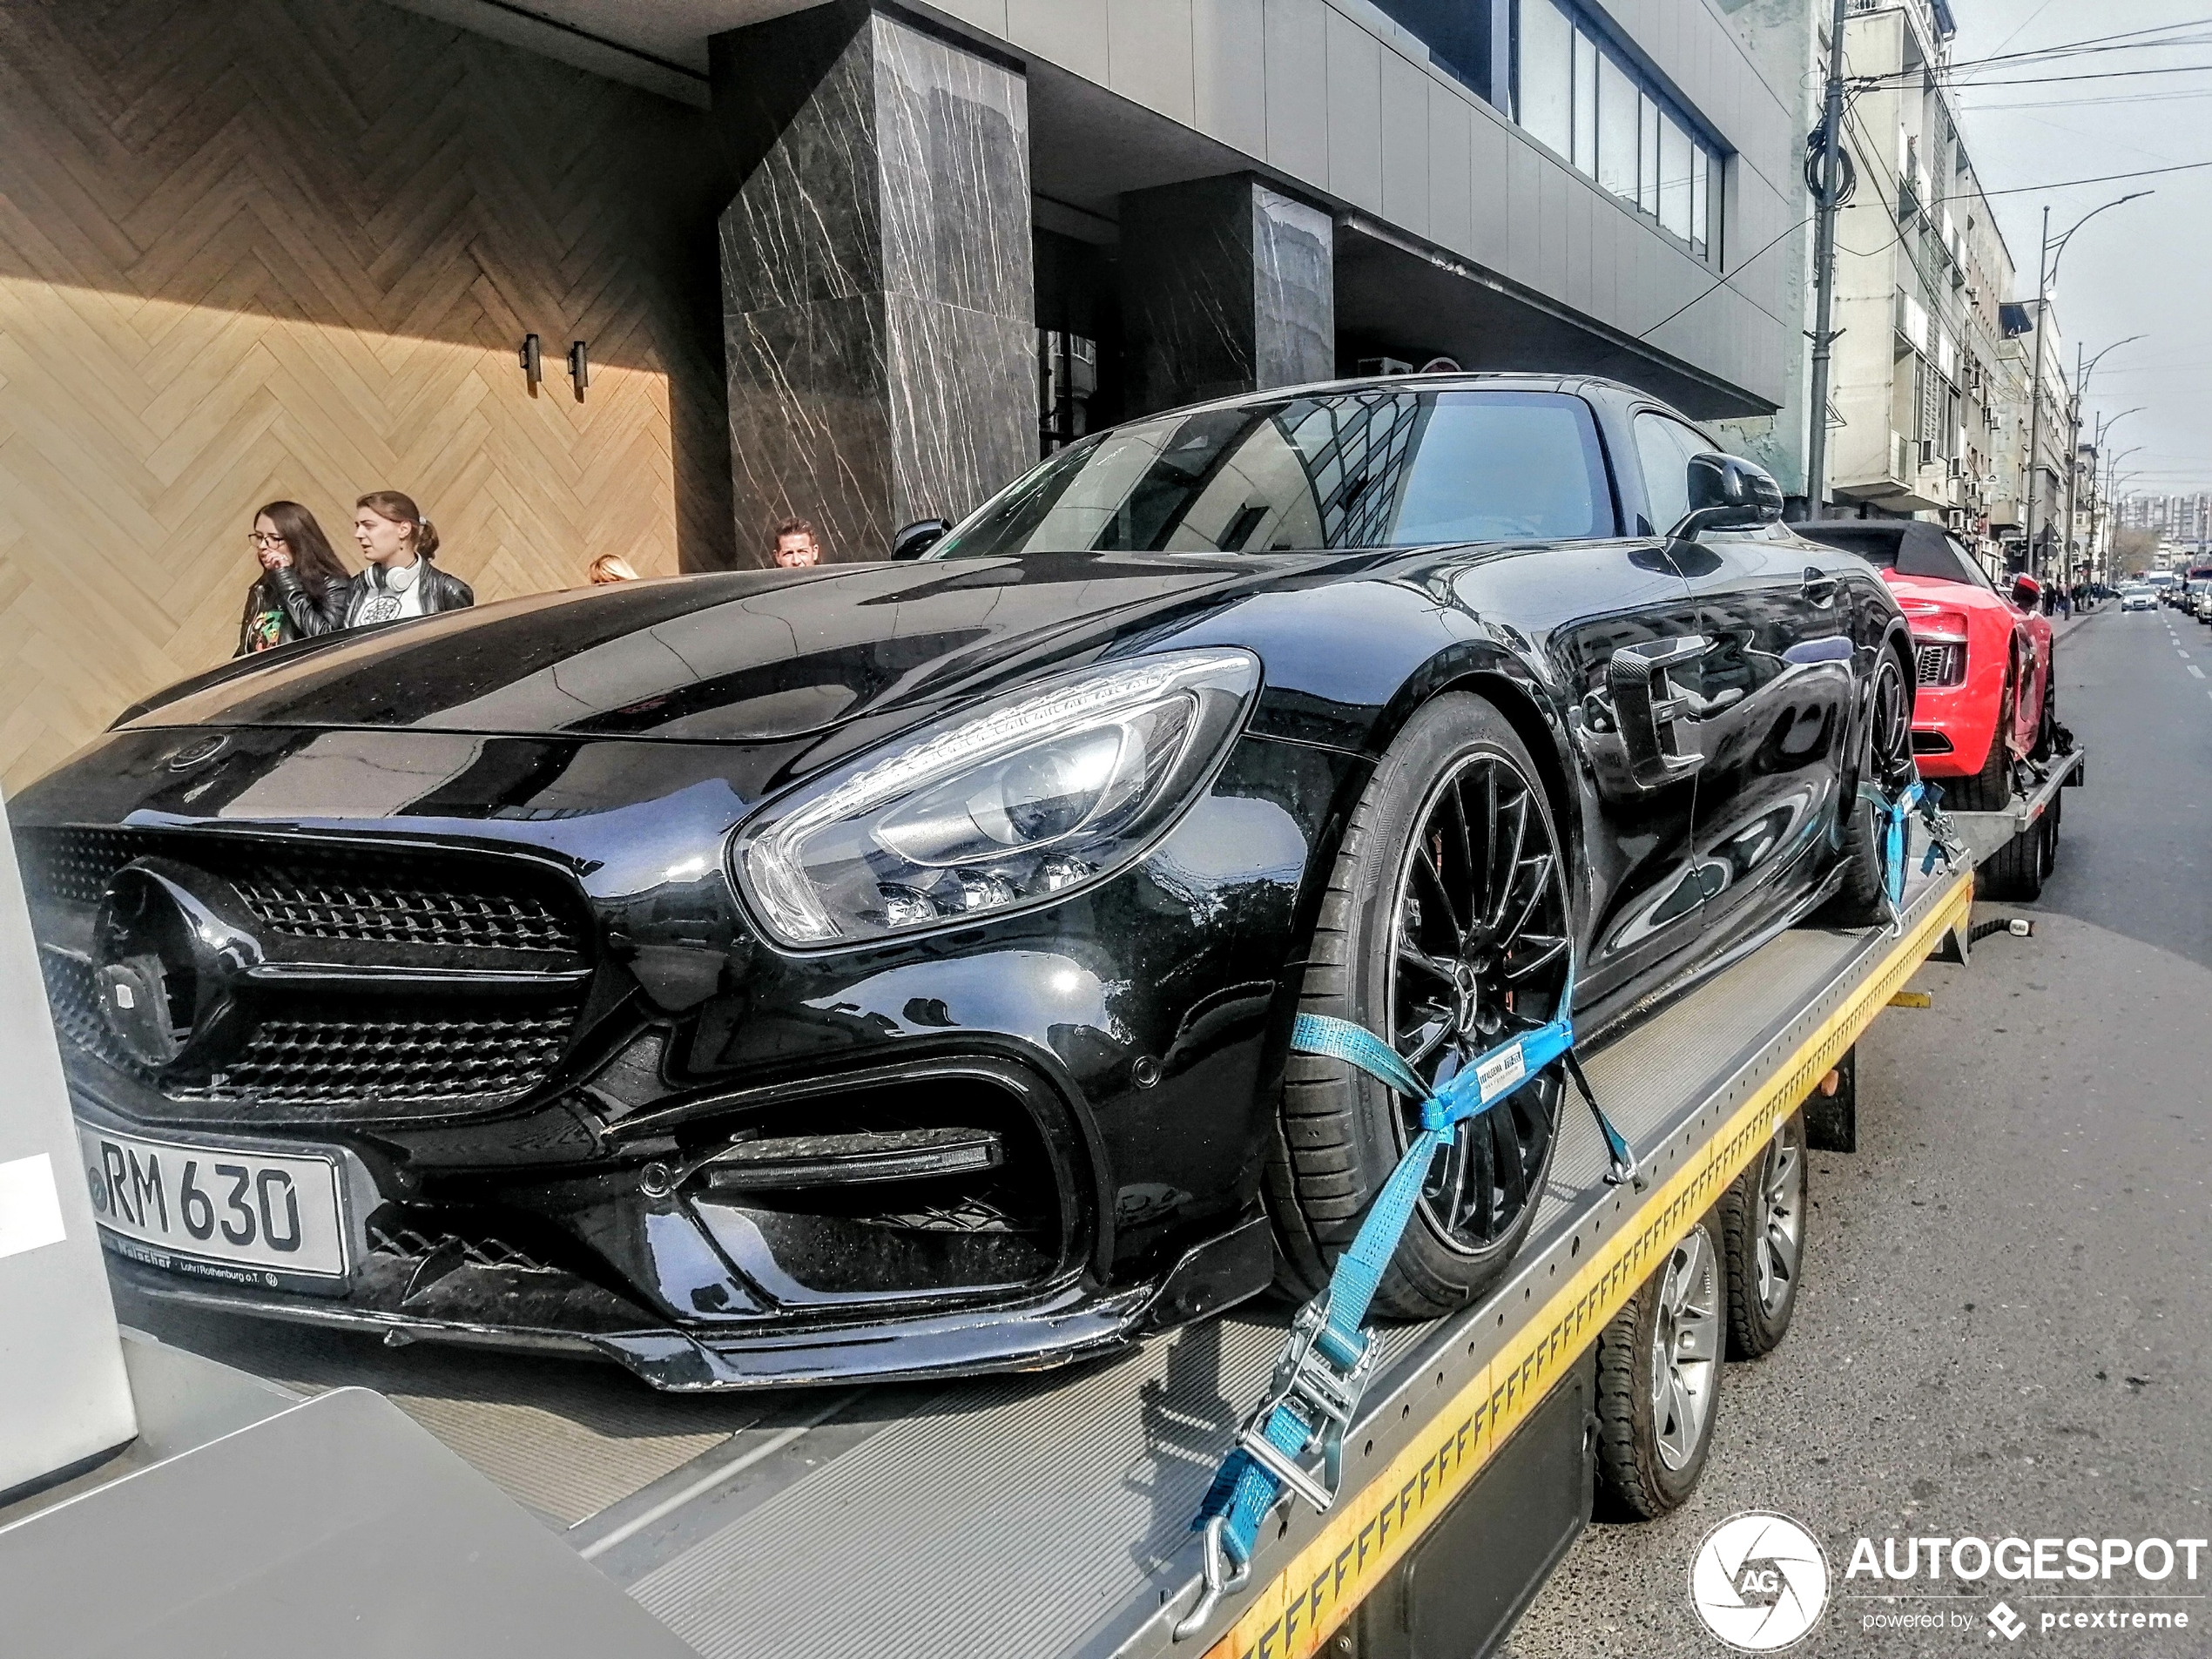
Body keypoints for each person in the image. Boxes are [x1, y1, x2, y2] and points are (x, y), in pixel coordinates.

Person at [336, 490, 473, 626]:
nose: (358, 534)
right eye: (358, 526)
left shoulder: (448, 591)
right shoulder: (357, 587)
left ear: (403, 529)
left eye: (369, 526)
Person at [235, 500, 351, 654]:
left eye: (274, 539)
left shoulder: (333, 583)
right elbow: (247, 648)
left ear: (297, 541)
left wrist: (286, 579)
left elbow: (325, 639)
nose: (263, 546)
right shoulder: (262, 588)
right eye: (259, 537)